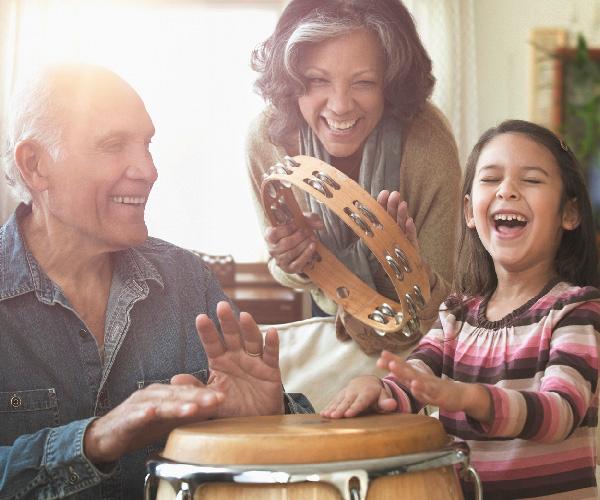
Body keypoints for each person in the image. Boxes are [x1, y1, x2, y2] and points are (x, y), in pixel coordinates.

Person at [0, 63, 311, 500]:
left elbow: (278, 456)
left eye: (147, 145)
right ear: (35, 166)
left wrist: (267, 419)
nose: (148, 170)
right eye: (113, 145)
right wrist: (94, 440)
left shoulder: (188, 280)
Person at [321, 120, 600, 499]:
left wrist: (471, 398)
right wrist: (377, 388)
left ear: (569, 213)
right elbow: (413, 383)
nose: (507, 190)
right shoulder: (455, 316)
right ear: (470, 211)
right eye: (491, 179)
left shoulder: (575, 311)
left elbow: (560, 412)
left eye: (531, 180)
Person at [246, 0, 462, 355]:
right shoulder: (266, 139)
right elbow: (284, 270)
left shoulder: (427, 140)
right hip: (330, 320)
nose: (341, 105)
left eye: (363, 82)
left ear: (390, 84)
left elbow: (444, 304)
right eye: (318, 80)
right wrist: (292, 264)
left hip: (424, 335)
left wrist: (407, 266)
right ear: (292, 79)